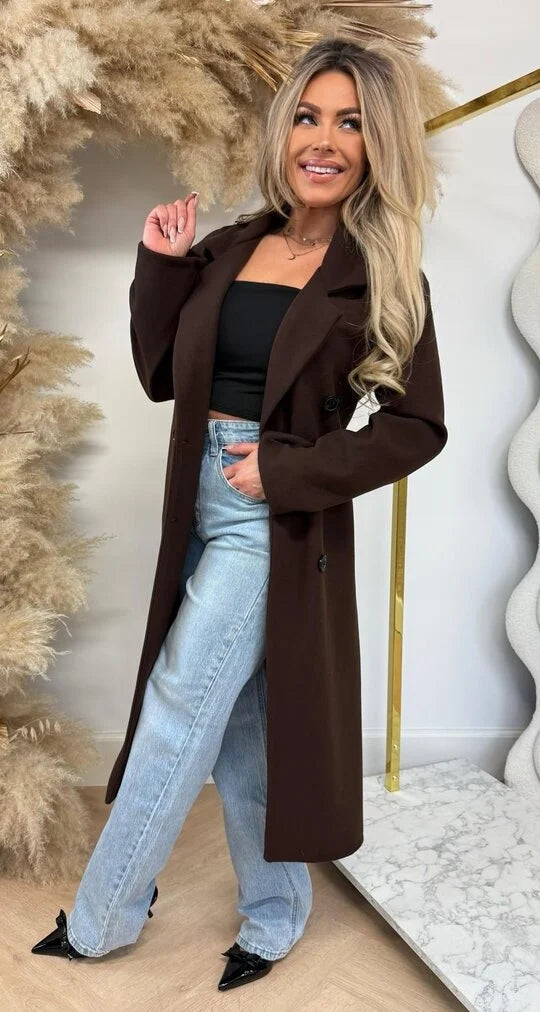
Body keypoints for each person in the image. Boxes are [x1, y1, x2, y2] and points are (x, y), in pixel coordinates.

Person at [31, 36, 446, 992]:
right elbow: (158, 374)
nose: (323, 140)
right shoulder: (229, 246)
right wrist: (159, 265)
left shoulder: (382, 275)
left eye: (351, 124)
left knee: (180, 702)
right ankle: (277, 910)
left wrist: (290, 469)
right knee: (247, 721)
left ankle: (103, 917)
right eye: (308, 116)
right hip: (196, 501)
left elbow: (417, 427)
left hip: (272, 519)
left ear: (378, 145)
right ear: (283, 130)